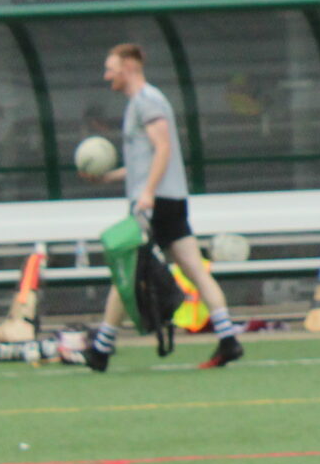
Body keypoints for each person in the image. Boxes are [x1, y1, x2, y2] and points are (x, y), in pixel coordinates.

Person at [88, 41, 244, 370]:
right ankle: (228, 339)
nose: (107, 76)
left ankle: (101, 348)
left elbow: (162, 149)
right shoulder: (139, 103)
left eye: (111, 68)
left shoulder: (148, 101)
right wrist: (109, 178)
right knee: (195, 271)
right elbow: (144, 160)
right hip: (166, 199)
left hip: (154, 203)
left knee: (127, 270)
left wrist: (147, 194)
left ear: (129, 68)